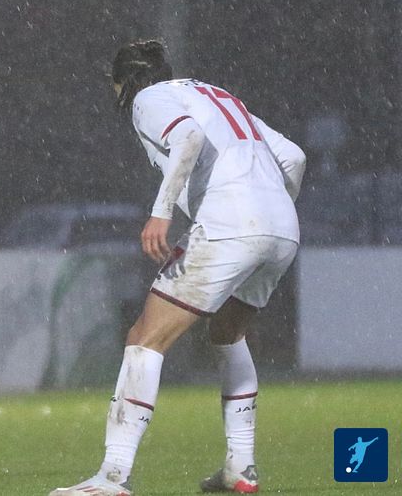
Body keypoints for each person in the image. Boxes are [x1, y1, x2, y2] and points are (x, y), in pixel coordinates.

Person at [49, 40, 306, 496]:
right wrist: (269, 209)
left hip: (230, 224)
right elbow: (294, 156)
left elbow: (188, 138)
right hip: (283, 226)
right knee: (228, 334)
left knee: (144, 338)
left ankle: (112, 477)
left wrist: (161, 212)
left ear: (124, 83)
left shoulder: (148, 98)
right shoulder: (216, 94)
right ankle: (241, 468)